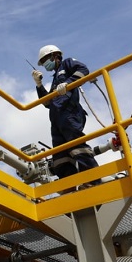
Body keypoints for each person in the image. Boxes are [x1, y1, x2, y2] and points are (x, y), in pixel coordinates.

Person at [31, 45, 98, 181]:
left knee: (76, 146)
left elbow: (83, 70)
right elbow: (47, 103)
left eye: (44, 60)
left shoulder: (67, 63)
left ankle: (94, 179)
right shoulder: (55, 79)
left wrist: (68, 83)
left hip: (69, 113)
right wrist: (39, 85)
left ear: (54, 56)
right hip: (56, 119)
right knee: (60, 156)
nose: (45, 64)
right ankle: (69, 185)